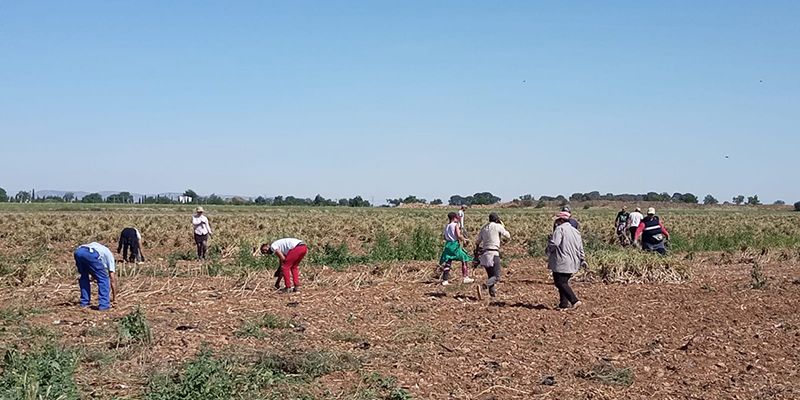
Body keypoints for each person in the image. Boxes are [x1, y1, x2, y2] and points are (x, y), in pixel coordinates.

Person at [547, 212, 587, 310]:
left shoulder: (560, 229)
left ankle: (574, 301)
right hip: (573, 261)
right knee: (563, 282)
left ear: (560, 220)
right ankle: (563, 304)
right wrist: (582, 259)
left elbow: (555, 243)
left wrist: (548, 249)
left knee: (559, 283)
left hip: (562, 261)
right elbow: (580, 247)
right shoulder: (575, 231)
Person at [474, 212, 510, 299]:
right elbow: (508, 236)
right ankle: (483, 287)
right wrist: (502, 226)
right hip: (494, 253)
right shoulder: (498, 226)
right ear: (497, 219)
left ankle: (492, 295)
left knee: (491, 276)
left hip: (485, 254)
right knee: (497, 276)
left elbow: (477, 242)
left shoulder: (484, 228)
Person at [73, 242, 118, 311]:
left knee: (84, 277)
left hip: (78, 252)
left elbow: (93, 269)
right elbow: (112, 279)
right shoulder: (110, 257)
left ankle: (84, 302)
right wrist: (115, 298)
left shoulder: (99, 247)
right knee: (104, 279)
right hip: (90, 253)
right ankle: (104, 305)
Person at [439, 212, 474, 285]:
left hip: (448, 245)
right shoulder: (455, 225)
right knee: (464, 258)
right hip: (454, 245)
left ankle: (445, 280)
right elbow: (458, 235)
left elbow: (444, 237)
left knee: (448, 260)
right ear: (454, 218)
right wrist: (464, 239)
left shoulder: (447, 226)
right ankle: (465, 277)